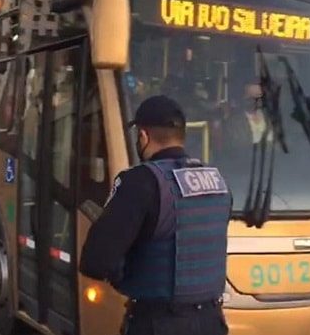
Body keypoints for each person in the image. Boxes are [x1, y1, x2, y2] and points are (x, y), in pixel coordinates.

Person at [80, 95, 233, 335]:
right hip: (212, 322)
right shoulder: (217, 182)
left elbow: (95, 261)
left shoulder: (141, 181)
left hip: (158, 323)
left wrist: (126, 270)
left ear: (143, 136)